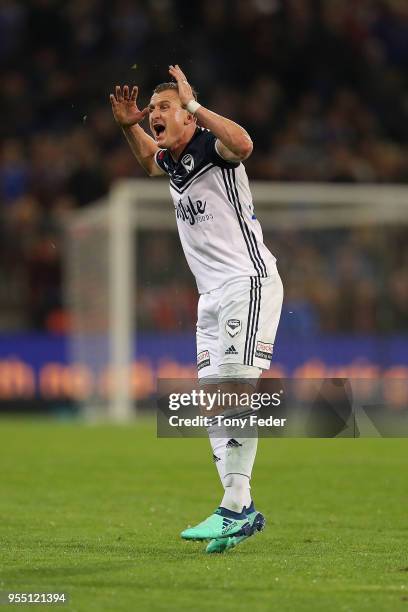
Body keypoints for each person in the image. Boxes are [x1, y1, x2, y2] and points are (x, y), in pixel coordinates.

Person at [110, 65, 283, 553]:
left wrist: (193, 104)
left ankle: (235, 508)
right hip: (211, 297)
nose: (155, 114)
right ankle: (238, 508)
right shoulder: (172, 159)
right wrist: (130, 127)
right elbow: (148, 161)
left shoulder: (212, 146)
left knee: (232, 386)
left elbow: (246, 145)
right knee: (214, 397)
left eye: (163, 108)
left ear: (186, 116)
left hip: (246, 283)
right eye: (153, 109)